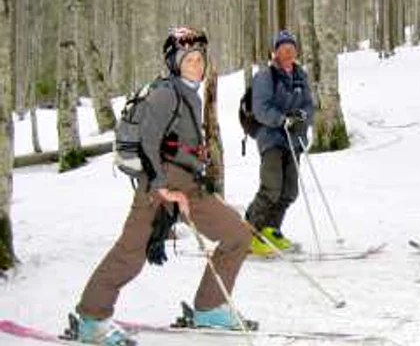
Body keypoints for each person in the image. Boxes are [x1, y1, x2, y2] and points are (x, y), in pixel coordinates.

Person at [74, 26, 253, 345]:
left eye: (200, 59)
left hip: (188, 186)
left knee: (237, 234)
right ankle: (91, 317)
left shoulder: (188, 94)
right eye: (189, 60)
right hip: (158, 187)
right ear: (174, 63)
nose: (197, 65)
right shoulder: (166, 93)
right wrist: (161, 187)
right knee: (130, 254)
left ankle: (210, 308)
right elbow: (147, 143)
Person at [245, 30, 315, 255]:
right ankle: (249, 234)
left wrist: (301, 118)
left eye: (291, 48)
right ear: (275, 52)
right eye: (283, 49)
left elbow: (309, 106)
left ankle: (271, 230)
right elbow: (260, 108)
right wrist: (282, 119)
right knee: (271, 187)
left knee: (289, 190)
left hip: (293, 140)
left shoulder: (299, 75)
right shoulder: (266, 76)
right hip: (272, 139)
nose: (288, 52)